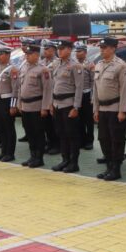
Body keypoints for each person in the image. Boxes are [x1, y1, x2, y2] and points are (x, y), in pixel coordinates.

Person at [93, 37, 126, 181]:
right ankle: (109, 166)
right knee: (103, 138)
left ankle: (116, 168)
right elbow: (95, 90)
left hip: (115, 108)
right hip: (102, 108)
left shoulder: (120, 65)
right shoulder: (99, 65)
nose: (101, 50)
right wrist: (95, 109)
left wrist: (122, 111)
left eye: (105, 47)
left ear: (113, 48)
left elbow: (124, 90)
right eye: (101, 47)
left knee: (116, 139)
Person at [50, 40, 84, 173]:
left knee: (72, 135)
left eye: (62, 48)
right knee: (61, 134)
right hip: (57, 104)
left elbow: (79, 87)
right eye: (59, 48)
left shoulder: (75, 66)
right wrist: (51, 103)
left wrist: (76, 107)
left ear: (69, 50)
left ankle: (74, 163)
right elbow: (53, 85)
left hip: (68, 104)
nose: (59, 50)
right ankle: (65, 160)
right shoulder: (56, 64)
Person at [17, 44, 52, 167]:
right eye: (26, 54)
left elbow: (47, 90)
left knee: (38, 133)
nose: (27, 56)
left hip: (36, 106)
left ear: (36, 55)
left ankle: (39, 158)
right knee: (29, 132)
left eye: (29, 54)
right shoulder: (24, 68)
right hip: (25, 106)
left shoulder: (43, 70)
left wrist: (44, 107)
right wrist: (19, 103)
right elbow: (20, 87)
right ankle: (32, 156)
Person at [0, 43, 19, 162]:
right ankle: (3, 152)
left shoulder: (12, 69)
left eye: (1, 54)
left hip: (7, 101)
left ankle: (10, 153)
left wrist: (13, 105)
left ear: (8, 55)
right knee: (1, 127)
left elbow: (15, 89)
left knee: (8, 128)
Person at [41, 40, 61, 154]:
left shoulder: (57, 62)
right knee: (46, 123)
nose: (45, 51)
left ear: (53, 50)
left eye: (47, 49)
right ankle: (50, 143)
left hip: (53, 94)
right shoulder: (42, 62)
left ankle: (57, 145)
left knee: (54, 124)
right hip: (43, 95)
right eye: (44, 49)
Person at [75, 42, 96, 150]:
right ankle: (81, 140)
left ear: (85, 53)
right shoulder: (73, 64)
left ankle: (89, 141)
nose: (77, 53)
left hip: (87, 94)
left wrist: (93, 96)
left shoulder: (90, 64)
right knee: (79, 119)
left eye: (80, 51)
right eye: (76, 51)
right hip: (76, 95)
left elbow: (93, 81)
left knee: (88, 120)